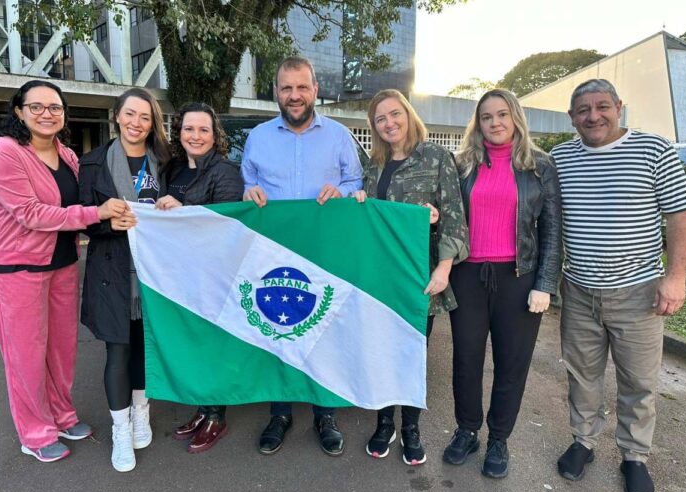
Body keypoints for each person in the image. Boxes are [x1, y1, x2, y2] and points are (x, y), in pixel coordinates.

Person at [551, 79, 686, 492]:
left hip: (638, 292)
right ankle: (584, 441)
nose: (593, 116)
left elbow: (679, 219)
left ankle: (634, 456)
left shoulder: (655, 150)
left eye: (602, 107)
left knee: (639, 380)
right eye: (582, 110)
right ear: (571, 117)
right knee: (582, 375)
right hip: (578, 289)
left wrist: (676, 277)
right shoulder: (561, 158)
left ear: (619, 107)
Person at [0, 80, 129, 463]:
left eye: (55, 107)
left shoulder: (65, 153)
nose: (47, 114)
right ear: (19, 111)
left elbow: (84, 195)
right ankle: (34, 431)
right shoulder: (4, 152)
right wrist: (97, 213)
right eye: (37, 106)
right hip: (16, 266)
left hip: (61, 263)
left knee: (60, 349)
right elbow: (29, 213)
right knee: (25, 353)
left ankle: (61, 414)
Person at [241, 55, 363, 456]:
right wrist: (248, 193)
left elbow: (355, 181)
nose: (295, 96)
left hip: (326, 252)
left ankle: (325, 413)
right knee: (278, 327)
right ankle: (280, 412)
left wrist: (342, 192)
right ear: (276, 92)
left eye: (302, 87)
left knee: (325, 329)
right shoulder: (258, 137)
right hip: (273, 253)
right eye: (286, 88)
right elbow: (248, 184)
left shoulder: (340, 135)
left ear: (315, 91)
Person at [442, 89, 562, 479]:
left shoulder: (540, 166)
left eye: (502, 115)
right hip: (468, 275)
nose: (494, 123)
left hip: (518, 277)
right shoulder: (461, 165)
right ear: (477, 123)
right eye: (486, 116)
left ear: (516, 118)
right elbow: (446, 217)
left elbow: (552, 231)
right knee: (466, 360)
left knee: (512, 363)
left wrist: (545, 283)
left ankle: (499, 438)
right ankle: (467, 429)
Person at [352, 89, 468, 465]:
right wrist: (357, 203)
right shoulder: (373, 165)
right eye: (380, 119)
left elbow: (454, 215)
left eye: (394, 114)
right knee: (381, 352)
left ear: (408, 114)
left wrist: (445, 266)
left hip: (420, 276)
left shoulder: (435, 157)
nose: (389, 123)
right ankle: (384, 423)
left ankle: (411, 428)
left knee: (412, 353)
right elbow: (369, 221)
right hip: (380, 275)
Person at [79, 88, 171, 472]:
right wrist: (107, 224)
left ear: (153, 123)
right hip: (112, 272)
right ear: (116, 116)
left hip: (153, 272)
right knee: (117, 351)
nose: (136, 123)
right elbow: (82, 215)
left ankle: (140, 411)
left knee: (143, 348)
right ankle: (120, 430)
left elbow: (180, 210)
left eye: (145, 117)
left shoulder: (164, 162)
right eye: (130, 114)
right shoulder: (93, 163)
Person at [155, 102, 244, 453]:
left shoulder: (225, 171)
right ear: (179, 132)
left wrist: (184, 211)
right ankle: (201, 408)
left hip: (213, 274)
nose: (195, 135)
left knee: (212, 344)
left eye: (203, 129)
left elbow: (227, 224)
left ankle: (216, 416)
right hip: (179, 273)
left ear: (214, 134)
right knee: (192, 342)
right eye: (188, 128)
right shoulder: (172, 168)